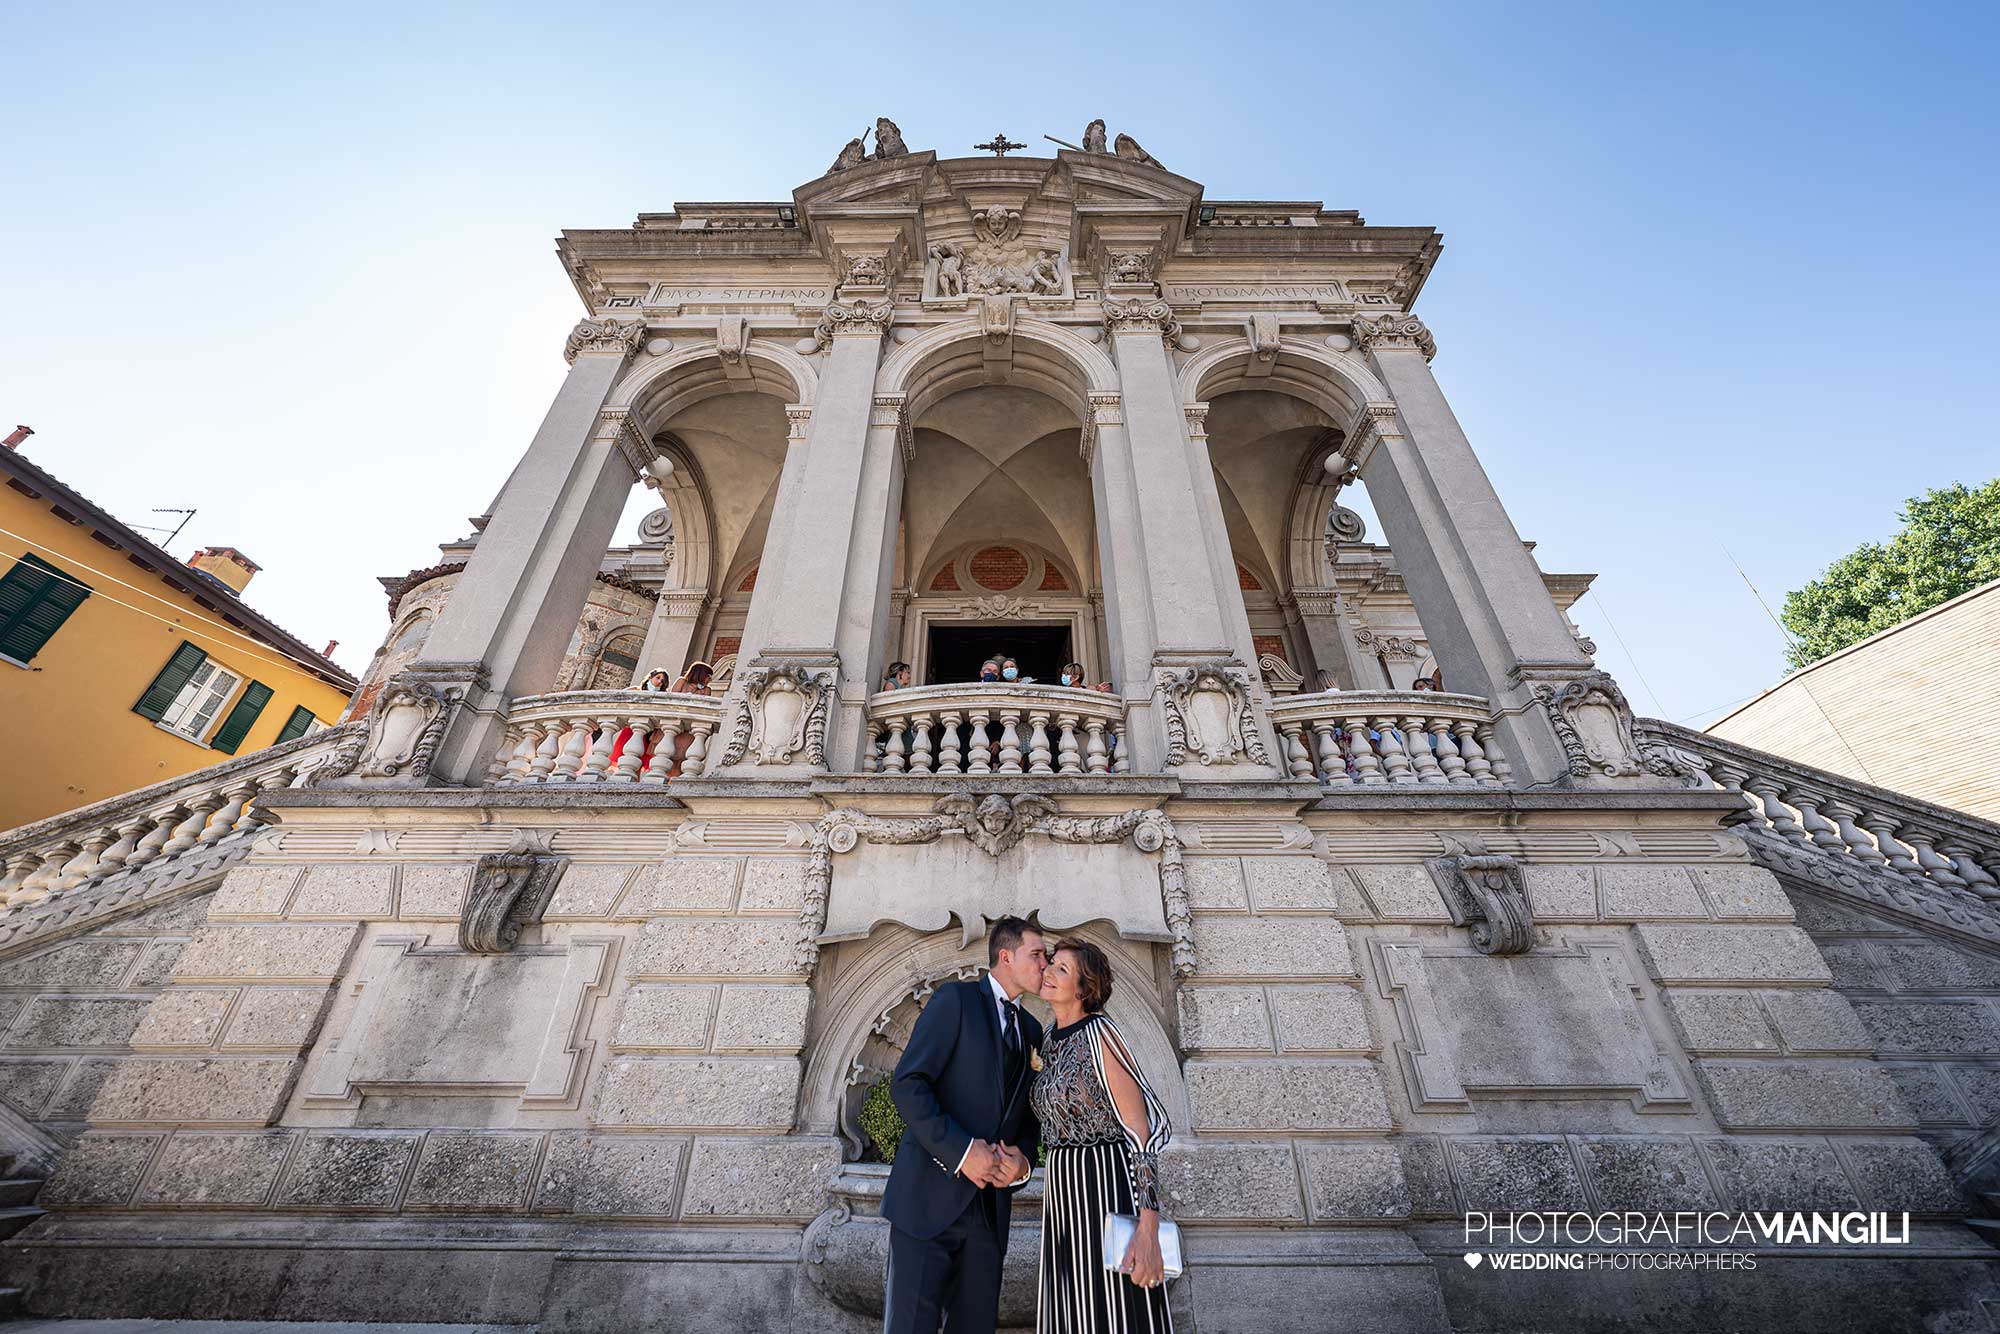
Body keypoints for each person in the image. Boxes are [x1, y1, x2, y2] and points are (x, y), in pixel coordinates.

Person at [883, 918, 1048, 1334]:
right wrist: (962, 1152)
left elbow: (1027, 1119)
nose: (1045, 964)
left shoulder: (1031, 1030)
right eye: (1037, 955)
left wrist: (1022, 1166)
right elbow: (908, 1084)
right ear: (1005, 957)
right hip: (927, 1204)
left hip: (989, 1217)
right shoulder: (954, 1001)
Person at [1032, 938, 1174, 1331]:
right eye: (1051, 964)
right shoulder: (1046, 1038)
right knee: (1072, 1304)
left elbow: (1140, 1133)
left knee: (1113, 1308)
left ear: (1084, 988)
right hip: (1062, 1191)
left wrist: (1148, 1230)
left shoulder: (1101, 1034)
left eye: (1062, 969)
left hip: (1105, 1183)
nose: (1049, 972)